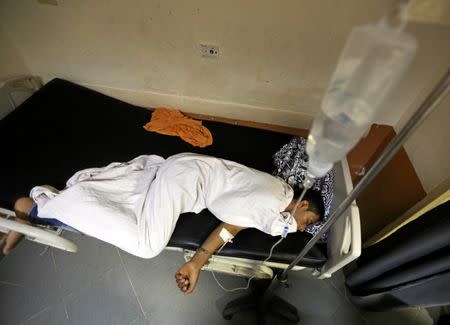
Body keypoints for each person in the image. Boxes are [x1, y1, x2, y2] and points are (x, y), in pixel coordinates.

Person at [0, 153, 324, 294]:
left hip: (182, 174)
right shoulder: (275, 198)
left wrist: (197, 263)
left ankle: (35, 210)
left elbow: (230, 226)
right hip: (187, 178)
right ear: (304, 203)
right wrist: (279, 226)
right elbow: (241, 213)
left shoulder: (269, 202)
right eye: (307, 220)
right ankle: (36, 210)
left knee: (126, 211)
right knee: (147, 245)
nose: (301, 227)